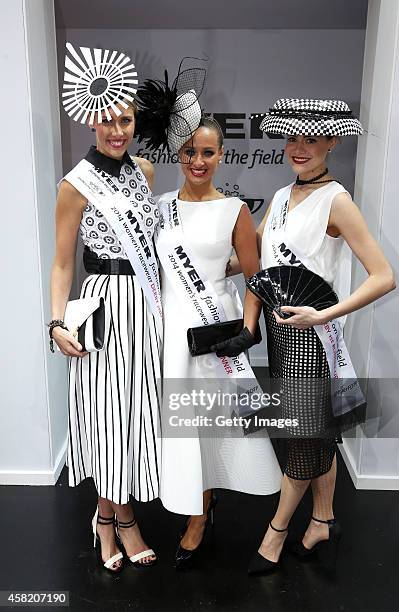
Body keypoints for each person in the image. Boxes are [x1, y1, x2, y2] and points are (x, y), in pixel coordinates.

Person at [219, 98, 395, 575]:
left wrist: (324, 315)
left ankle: (274, 535)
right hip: (280, 334)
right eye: (293, 137)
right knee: (319, 433)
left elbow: (383, 276)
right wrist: (212, 267)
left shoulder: (337, 200)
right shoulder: (279, 197)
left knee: (301, 439)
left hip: (315, 341)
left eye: (312, 139)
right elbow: (254, 255)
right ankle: (322, 520)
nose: (299, 148)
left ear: (332, 141)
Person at [135, 67, 282, 569]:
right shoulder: (158, 208)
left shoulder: (235, 211)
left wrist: (247, 329)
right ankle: (194, 500)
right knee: (182, 426)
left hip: (213, 332)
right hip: (169, 331)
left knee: (213, 423)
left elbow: (253, 277)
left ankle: (200, 514)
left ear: (221, 155)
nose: (198, 161)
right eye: (189, 152)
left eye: (208, 152)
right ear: (177, 154)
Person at [49, 43, 163, 572]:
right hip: (101, 310)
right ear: (90, 120)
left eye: (126, 118)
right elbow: (63, 265)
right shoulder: (74, 186)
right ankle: (118, 521)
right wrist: (55, 321)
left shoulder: (144, 170)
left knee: (136, 418)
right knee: (105, 420)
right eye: (107, 119)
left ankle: (108, 516)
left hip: (145, 307)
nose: (117, 130)